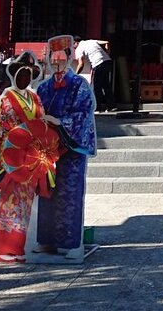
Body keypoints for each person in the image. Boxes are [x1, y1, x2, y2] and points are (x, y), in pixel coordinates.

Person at [0, 51, 61, 263]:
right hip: (12, 159)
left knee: (24, 206)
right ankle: (2, 249)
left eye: (28, 74)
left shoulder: (34, 97)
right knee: (10, 204)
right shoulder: (5, 100)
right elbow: (0, 130)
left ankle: (17, 248)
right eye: (21, 73)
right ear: (14, 74)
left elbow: (39, 123)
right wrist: (10, 151)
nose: (25, 78)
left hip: (31, 159)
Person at [35, 35, 97, 261]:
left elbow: (84, 112)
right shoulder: (43, 87)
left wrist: (61, 123)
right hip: (46, 148)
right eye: (54, 58)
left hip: (70, 148)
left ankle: (69, 242)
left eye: (62, 57)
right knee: (46, 193)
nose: (58, 61)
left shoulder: (79, 84)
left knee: (69, 194)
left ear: (71, 58)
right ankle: (46, 239)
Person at [74, 36, 115, 112]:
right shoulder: (91, 41)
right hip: (107, 62)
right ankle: (111, 106)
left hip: (98, 64)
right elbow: (107, 42)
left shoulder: (79, 48)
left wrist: (75, 75)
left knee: (97, 87)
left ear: (76, 42)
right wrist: (107, 53)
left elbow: (81, 64)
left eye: (73, 45)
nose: (73, 47)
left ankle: (97, 107)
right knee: (106, 85)